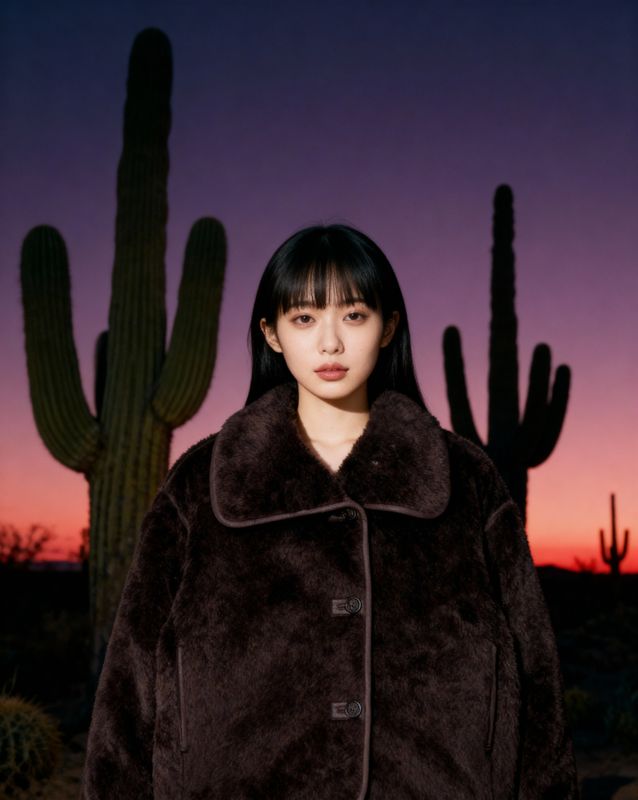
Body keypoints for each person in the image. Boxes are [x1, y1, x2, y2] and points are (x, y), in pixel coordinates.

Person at [81, 223, 580, 799]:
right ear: (271, 334)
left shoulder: (467, 481)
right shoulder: (200, 484)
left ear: (388, 325)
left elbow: (536, 679)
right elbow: (129, 685)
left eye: (354, 315)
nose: (330, 344)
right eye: (303, 319)